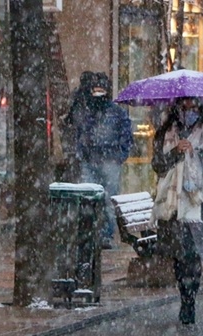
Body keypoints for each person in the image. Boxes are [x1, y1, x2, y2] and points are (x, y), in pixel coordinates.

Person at [151, 97, 203, 325]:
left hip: (198, 201)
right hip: (173, 202)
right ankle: (185, 294)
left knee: (193, 254)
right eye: (184, 106)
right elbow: (158, 164)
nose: (188, 110)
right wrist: (176, 152)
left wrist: (195, 155)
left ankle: (190, 300)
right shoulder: (166, 131)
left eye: (193, 106)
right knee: (180, 256)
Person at [71, 71, 133, 249]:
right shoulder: (88, 111)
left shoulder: (116, 112)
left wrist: (119, 155)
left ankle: (105, 234)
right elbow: (80, 132)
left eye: (101, 90)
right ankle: (90, 234)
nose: (98, 94)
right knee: (88, 198)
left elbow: (126, 135)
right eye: (95, 90)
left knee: (108, 200)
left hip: (109, 162)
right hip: (91, 160)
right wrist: (82, 153)